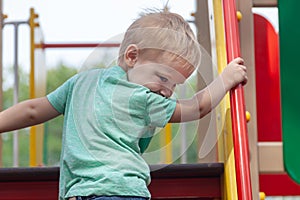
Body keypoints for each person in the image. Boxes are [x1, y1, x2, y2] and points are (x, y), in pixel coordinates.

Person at [0, 10, 247, 200]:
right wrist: (225, 80)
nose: (166, 91)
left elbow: (33, 110)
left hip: (77, 193)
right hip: (123, 192)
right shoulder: (142, 98)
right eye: (163, 78)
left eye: (174, 85)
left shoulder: (81, 82)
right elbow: (197, 107)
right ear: (132, 56)